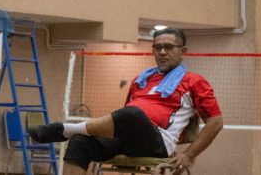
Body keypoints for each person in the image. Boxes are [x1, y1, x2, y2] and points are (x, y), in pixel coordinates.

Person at [29, 28, 223, 175]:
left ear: (183, 51)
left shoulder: (194, 81)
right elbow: (122, 118)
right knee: (80, 142)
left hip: (158, 142)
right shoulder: (142, 79)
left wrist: (189, 155)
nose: (162, 52)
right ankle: (72, 132)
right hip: (127, 138)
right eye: (157, 47)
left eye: (169, 47)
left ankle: (66, 129)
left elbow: (216, 122)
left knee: (133, 114)